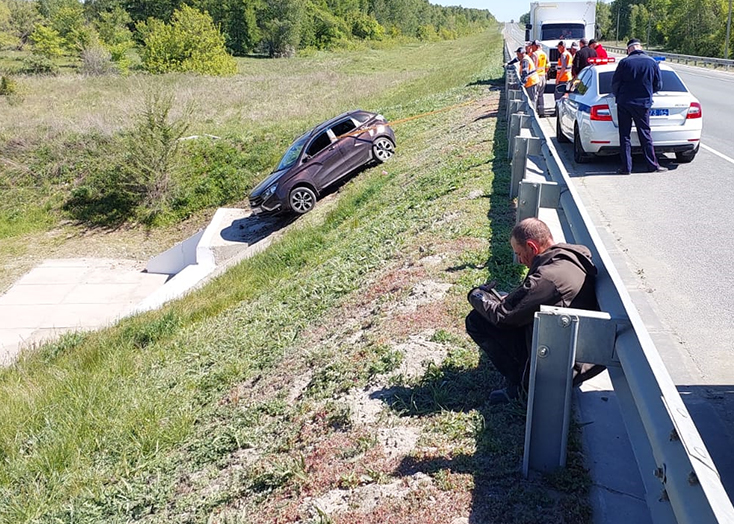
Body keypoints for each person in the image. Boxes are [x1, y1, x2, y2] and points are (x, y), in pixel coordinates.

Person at [465, 218, 602, 404]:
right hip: (571, 345)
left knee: (478, 320)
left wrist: (476, 295)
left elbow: (502, 317)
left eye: (520, 254)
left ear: (532, 246)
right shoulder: (565, 258)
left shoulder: (549, 277)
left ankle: (525, 389)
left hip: (564, 361)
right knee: (500, 303)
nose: (521, 261)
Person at [612, 38, 667, 174]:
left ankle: (626, 168)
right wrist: (647, 93)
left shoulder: (624, 62)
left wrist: (618, 95)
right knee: (645, 134)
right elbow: (658, 85)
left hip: (625, 102)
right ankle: (652, 165)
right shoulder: (652, 62)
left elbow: (615, 83)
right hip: (643, 103)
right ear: (640, 47)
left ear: (629, 49)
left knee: (625, 135)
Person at [530, 40, 549, 116]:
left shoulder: (534, 54)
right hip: (543, 76)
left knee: (535, 95)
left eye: (532, 46)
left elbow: (532, 67)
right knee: (541, 95)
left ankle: (534, 112)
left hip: (536, 77)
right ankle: (541, 112)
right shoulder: (544, 54)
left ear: (535, 46)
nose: (531, 48)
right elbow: (548, 64)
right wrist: (545, 71)